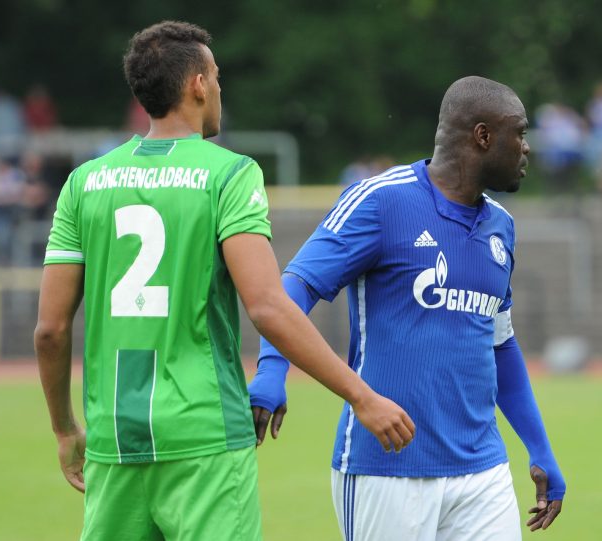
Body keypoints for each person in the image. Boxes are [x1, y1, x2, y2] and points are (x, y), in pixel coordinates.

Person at [33, 20, 414, 541]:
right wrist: (361, 396)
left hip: (114, 438)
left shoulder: (84, 183)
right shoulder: (230, 174)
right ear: (196, 84)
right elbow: (267, 307)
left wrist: (62, 429)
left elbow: (50, 330)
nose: (219, 90)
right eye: (216, 77)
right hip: (204, 435)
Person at [250, 76, 565, 540]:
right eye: (519, 133)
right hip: (386, 466)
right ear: (482, 136)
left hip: (483, 472)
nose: (526, 148)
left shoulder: (502, 227)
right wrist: (271, 370)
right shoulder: (381, 200)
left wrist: (539, 449)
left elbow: (501, 345)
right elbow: (292, 290)